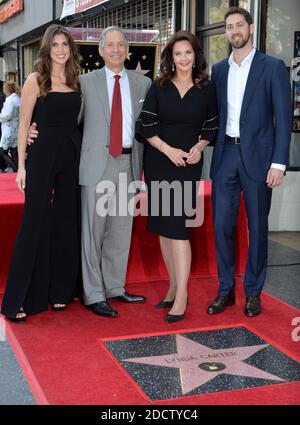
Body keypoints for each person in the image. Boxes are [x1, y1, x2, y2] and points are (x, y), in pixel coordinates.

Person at [27, 27, 151, 318]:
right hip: (96, 164)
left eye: (121, 45)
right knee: (92, 233)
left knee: (120, 231)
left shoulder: (142, 84)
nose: (116, 50)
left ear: (127, 49)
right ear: (101, 50)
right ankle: (93, 294)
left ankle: (114, 288)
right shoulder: (82, 83)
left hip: (129, 163)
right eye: (110, 45)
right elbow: (63, 117)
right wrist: (35, 129)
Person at [207, 7, 292, 317]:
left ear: (251, 28)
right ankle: (226, 290)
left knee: (257, 228)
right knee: (222, 226)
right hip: (225, 155)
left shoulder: (272, 67)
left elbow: (283, 120)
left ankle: (253, 292)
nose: (234, 31)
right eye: (229, 27)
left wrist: (278, 163)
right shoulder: (219, 70)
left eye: (239, 25)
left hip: (259, 159)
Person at [1, 24, 82, 322]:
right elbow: (23, 125)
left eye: (65, 44)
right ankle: (19, 299)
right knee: (34, 222)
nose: (60, 49)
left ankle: (60, 292)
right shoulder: (36, 79)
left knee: (65, 222)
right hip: (42, 154)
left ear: (70, 49)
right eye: (55, 45)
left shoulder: (76, 80)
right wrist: (21, 165)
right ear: (47, 49)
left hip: (71, 155)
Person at [136, 31, 218, 323]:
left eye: (188, 53)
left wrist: (199, 147)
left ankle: (182, 294)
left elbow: (212, 125)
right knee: (163, 226)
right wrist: (167, 149)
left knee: (179, 227)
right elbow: (145, 124)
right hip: (160, 160)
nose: (184, 59)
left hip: (188, 164)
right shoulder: (159, 86)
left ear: (196, 55)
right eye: (178, 53)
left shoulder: (207, 87)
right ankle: (172, 286)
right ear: (171, 57)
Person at [0, 81, 21, 172]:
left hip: (9, 129)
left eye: (4, 89)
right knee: (13, 152)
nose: (3, 91)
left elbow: (7, 115)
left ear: (8, 89)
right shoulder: (18, 98)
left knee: (2, 151)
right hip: (16, 129)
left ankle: (15, 169)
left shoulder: (10, 100)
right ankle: (19, 170)